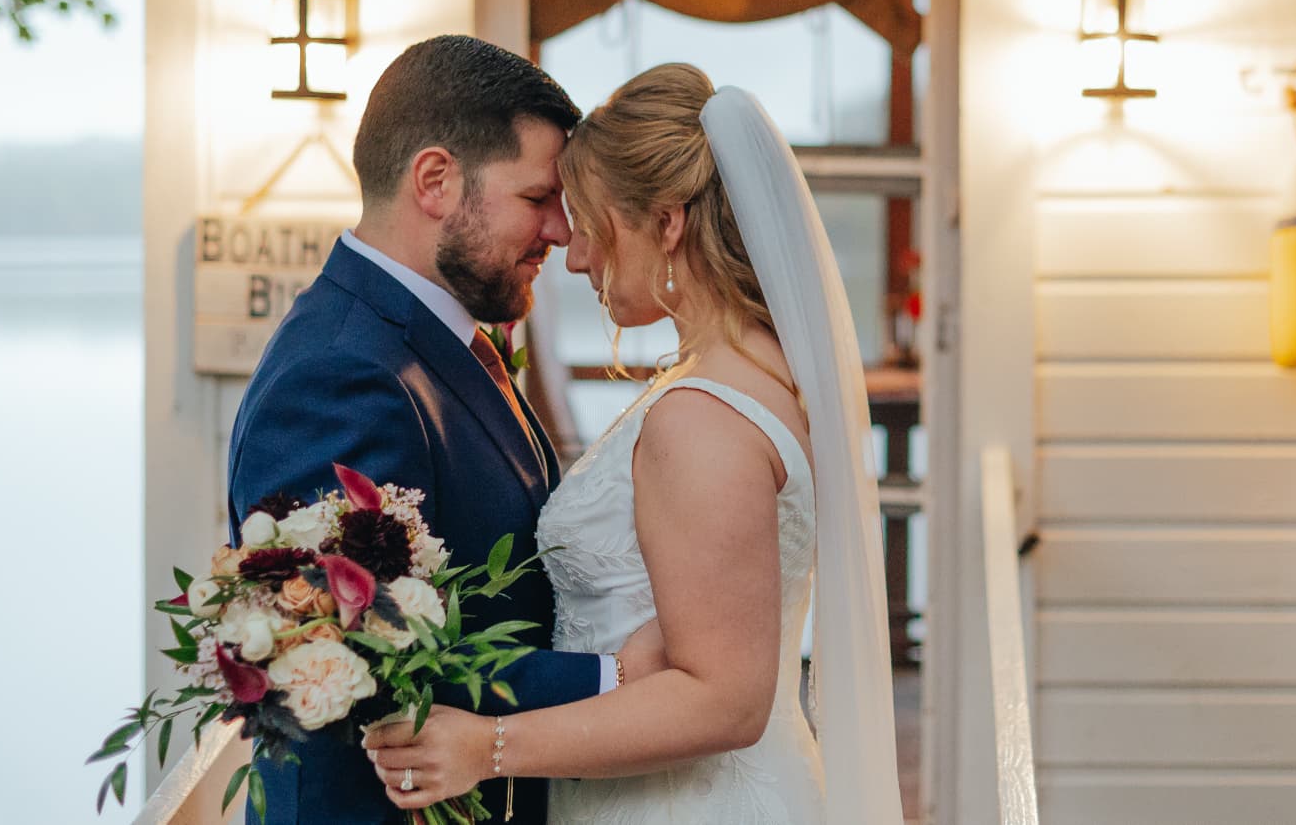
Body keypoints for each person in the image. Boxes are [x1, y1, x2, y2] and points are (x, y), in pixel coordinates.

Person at [362, 64, 905, 823]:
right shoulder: (765, 372)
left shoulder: (703, 416)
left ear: (668, 222)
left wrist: (486, 745)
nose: (575, 255)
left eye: (591, 222)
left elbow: (723, 702)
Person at [226, 35, 663, 825]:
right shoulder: (339, 374)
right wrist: (619, 678)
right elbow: (360, 658)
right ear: (435, 180)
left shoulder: (438, 337)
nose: (562, 234)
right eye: (538, 199)